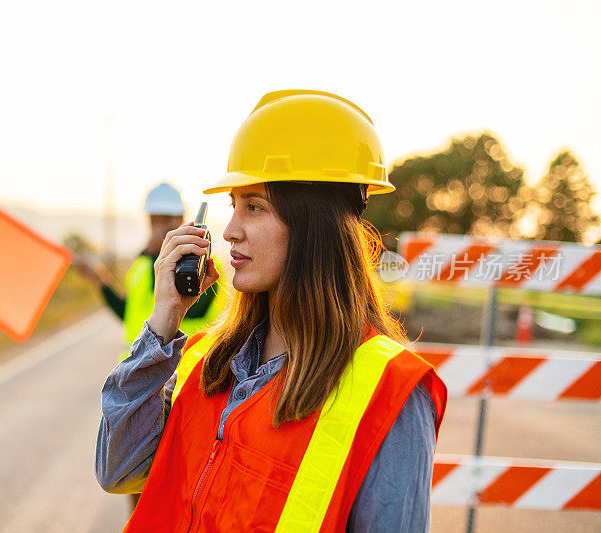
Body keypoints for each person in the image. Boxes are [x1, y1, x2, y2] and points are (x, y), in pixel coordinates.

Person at [95, 91, 447, 532]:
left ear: (314, 226)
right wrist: (163, 323)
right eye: (234, 206)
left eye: (255, 207)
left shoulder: (389, 391)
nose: (231, 232)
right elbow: (118, 472)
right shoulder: (205, 360)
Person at [75, 182, 227, 360]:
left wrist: (161, 257)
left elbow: (191, 309)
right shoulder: (142, 263)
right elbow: (128, 313)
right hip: (139, 368)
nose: (159, 227)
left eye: (166, 219)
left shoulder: (203, 262)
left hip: (182, 371)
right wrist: (100, 280)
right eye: (154, 220)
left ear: (181, 219)